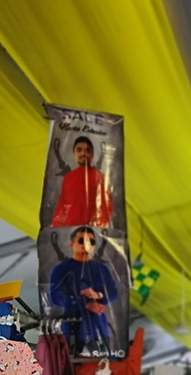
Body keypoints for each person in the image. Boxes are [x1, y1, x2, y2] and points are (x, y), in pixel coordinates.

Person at [48, 225, 118, 356]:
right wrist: (85, 304)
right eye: (82, 240)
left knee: (105, 366)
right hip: (73, 329)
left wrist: (98, 295)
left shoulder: (101, 269)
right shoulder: (61, 269)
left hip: (99, 327)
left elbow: (113, 292)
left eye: (91, 241)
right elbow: (55, 296)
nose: (86, 245)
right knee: (75, 366)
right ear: (71, 244)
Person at [51, 135, 113, 228]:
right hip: (69, 231)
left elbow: (107, 207)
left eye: (87, 150)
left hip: (92, 232)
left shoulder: (100, 178)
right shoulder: (68, 178)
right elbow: (62, 206)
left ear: (92, 155)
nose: (83, 153)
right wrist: (57, 228)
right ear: (74, 153)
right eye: (79, 150)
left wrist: (96, 226)